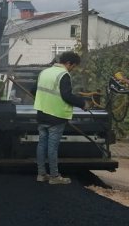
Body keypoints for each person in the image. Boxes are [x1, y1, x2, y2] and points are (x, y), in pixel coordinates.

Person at [34, 51, 90, 185]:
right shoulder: (63, 75)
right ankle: (54, 176)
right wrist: (83, 103)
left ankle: (41, 174)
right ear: (68, 63)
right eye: (74, 66)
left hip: (41, 114)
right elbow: (66, 96)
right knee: (52, 147)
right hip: (56, 116)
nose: (73, 69)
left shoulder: (45, 72)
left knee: (42, 145)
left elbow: (33, 89)